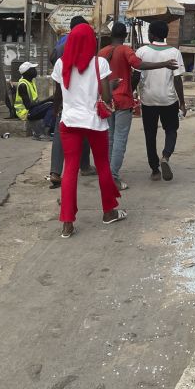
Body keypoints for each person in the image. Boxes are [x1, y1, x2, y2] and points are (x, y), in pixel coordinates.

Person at [51, 22, 124, 239]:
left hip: (69, 121)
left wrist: (59, 113)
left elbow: (57, 95)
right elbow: (107, 97)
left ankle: (67, 223)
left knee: (70, 169)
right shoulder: (99, 63)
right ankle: (109, 212)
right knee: (102, 165)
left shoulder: (61, 63)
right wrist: (114, 86)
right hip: (94, 121)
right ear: (92, 41)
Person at [98, 21, 175, 190]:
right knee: (119, 140)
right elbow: (139, 66)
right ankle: (113, 176)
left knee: (109, 139)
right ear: (125, 36)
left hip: (105, 100)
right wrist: (163, 64)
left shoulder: (102, 52)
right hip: (122, 101)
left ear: (111, 35)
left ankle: (107, 174)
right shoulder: (126, 50)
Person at [136, 20, 187, 181]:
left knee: (150, 135)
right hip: (169, 99)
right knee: (171, 130)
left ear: (151, 34)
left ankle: (154, 170)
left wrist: (130, 93)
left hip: (148, 99)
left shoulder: (142, 51)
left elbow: (136, 75)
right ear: (165, 35)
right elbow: (177, 79)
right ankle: (165, 156)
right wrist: (182, 102)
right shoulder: (174, 52)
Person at [49, 16, 92, 188]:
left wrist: (56, 104)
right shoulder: (87, 43)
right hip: (83, 99)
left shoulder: (60, 47)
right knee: (86, 134)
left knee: (60, 133)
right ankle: (85, 166)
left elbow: (58, 78)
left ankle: (55, 171)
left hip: (64, 96)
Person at [14, 61, 55, 139]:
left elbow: (35, 101)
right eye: (33, 69)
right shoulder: (23, 85)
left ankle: (52, 130)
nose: (35, 71)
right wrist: (47, 100)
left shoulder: (31, 82)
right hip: (25, 113)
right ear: (27, 72)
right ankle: (44, 129)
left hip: (32, 109)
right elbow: (28, 106)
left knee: (54, 105)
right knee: (51, 105)